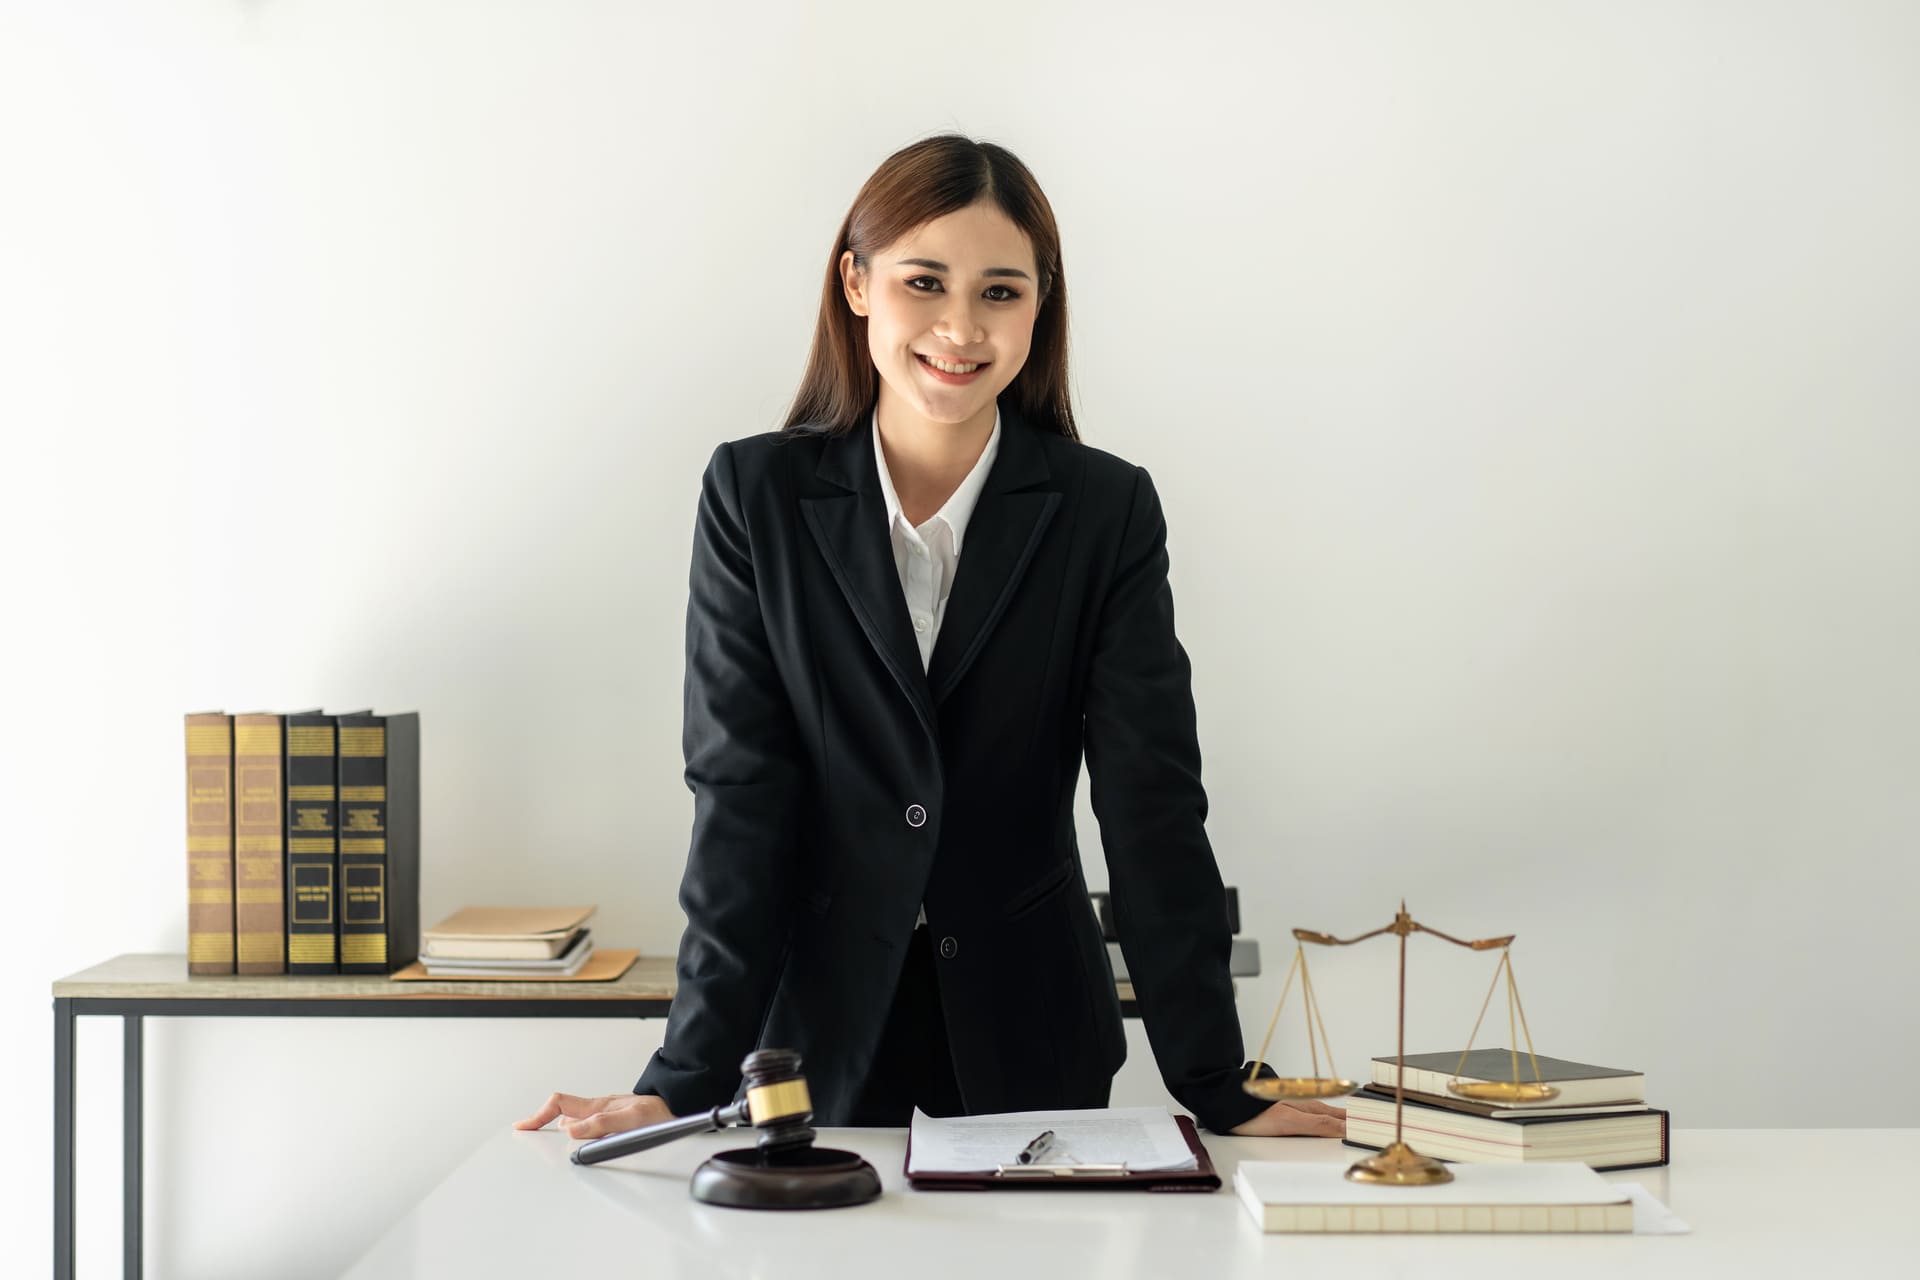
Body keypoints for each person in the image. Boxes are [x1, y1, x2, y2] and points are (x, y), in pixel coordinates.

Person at [518, 134, 1343, 1143]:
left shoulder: (1105, 509)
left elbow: (1151, 804)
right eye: (924, 281)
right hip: (809, 1050)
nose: (961, 326)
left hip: (1032, 1038)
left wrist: (1218, 1081)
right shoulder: (754, 497)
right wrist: (681, 1078)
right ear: (856, 283)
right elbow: (741, 798)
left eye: (1001, 291)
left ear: (1042, 306)